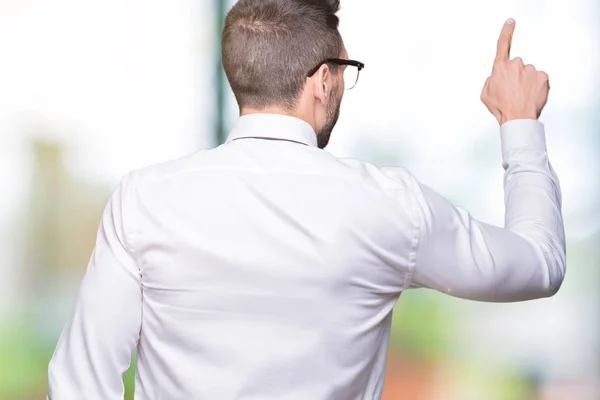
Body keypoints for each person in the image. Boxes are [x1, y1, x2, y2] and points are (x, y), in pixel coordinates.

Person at [46, 1, 565, 399]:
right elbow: (539, 265)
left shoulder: (143, 200)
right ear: (323, 80)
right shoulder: (389, 206)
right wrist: (519, 122)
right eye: (344, 70)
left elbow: (79, 384)